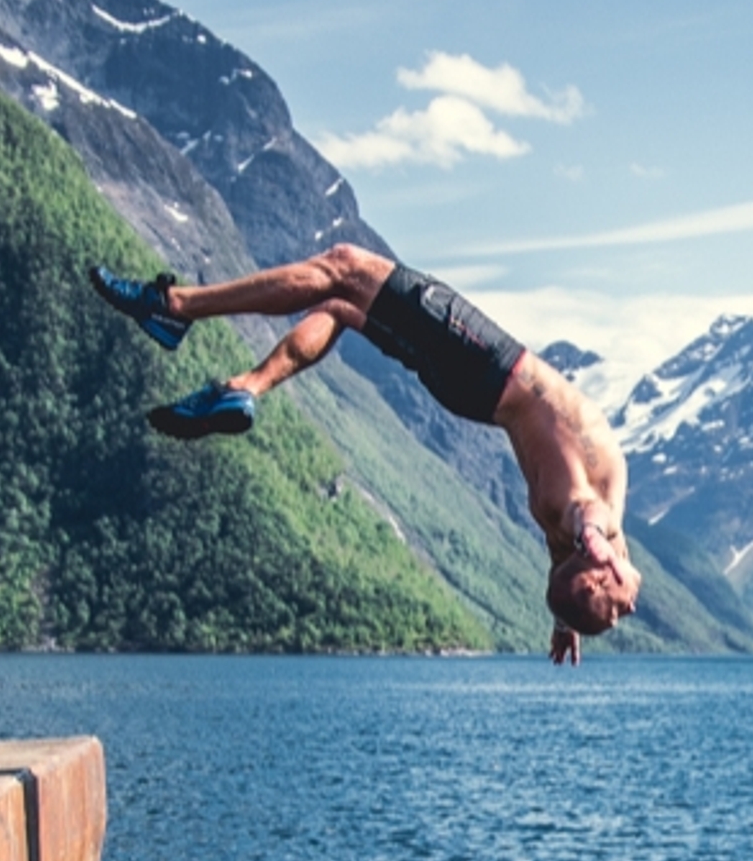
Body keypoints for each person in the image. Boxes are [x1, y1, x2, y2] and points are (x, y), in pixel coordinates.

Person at [91, 248, 640, 664]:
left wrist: (591, 558)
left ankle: (174, 306)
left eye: (611, 612)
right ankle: (246, 387)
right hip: (477, 391)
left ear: (593, 571)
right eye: (614, 613)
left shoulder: (589, 522)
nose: (628, 610)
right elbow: (571, 536)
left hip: (490, 369)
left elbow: (582, 515)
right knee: (340, 306)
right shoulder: (580, 533)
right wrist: (567, 617)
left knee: (343, 266)